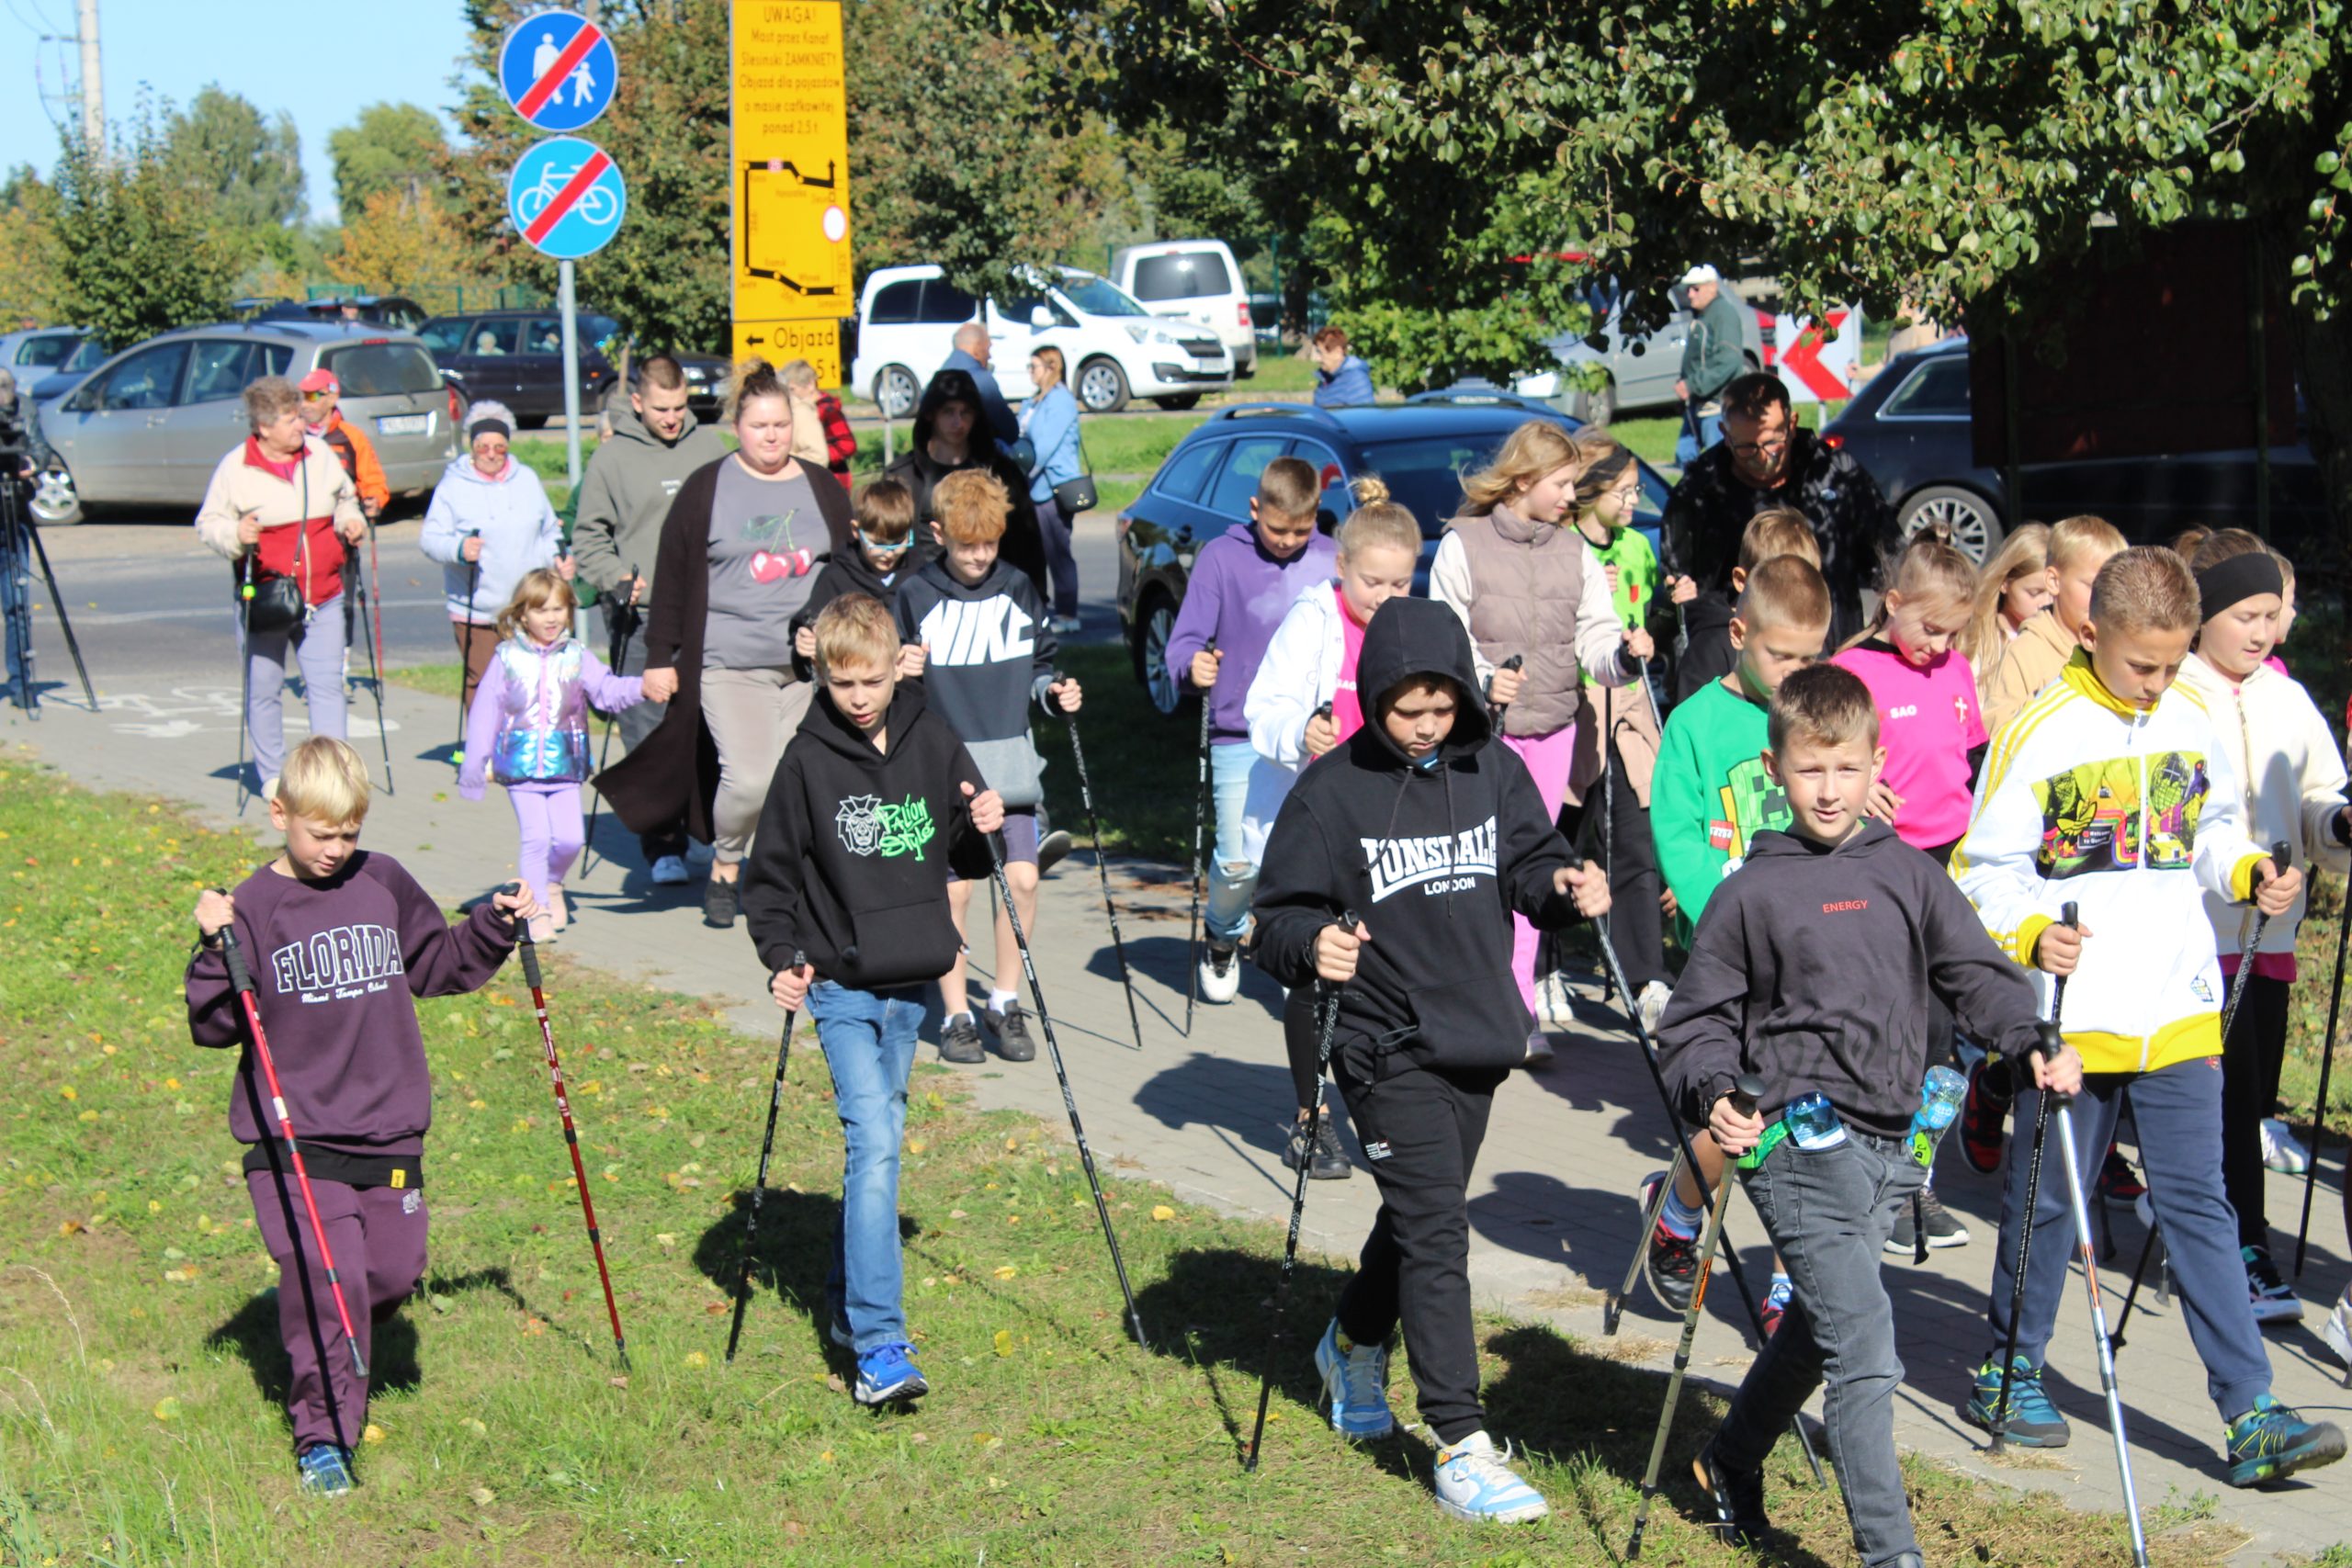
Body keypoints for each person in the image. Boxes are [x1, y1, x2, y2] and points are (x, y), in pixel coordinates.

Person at [1954, 546, 2346, 1487]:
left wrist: (2247, 870)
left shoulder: (2191, 713)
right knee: (2050, 1197)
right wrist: (2031, 931)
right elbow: (1979, 872)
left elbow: (2208, 829)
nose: (2158, 684)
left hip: (2176, 1005)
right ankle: (2010, 1368)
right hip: (2074, 1016)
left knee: (2199, 1203)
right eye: (2142, 665)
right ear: (2092, 634)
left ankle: (2250, 1411)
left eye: (2173, 664)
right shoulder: (2042, 730)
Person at [1657, 663, 2059, 1567]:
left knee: (1820, 1326)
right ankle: (1891, 1554)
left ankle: (1726, 1462)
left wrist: (2025, 1036)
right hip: (1791, 1140)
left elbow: (1975, 972)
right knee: (1866, 1347)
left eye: (1846, 768)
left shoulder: (1907, 873)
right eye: (1810, 770)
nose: (1830, 789)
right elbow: (1696, 1022)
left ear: (1877, 764)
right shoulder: (1748, 893)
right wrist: (1715, 1091)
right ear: (1776, 770)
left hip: (1891, 1141)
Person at [1251, 595, 1610, 1526]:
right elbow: (1274, 916)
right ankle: (1459, 1441)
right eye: (1406, 710)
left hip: (1476, 1031)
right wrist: (1313, 942)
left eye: (1442, 708)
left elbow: (1530, 864)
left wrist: (1564, 887)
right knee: (1439, 1231)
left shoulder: (1492, 768)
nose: (1424, 726)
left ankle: (1350, 1340)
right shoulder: (1330, 792)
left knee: (1423, 1211)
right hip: (1380, 1041)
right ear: (1374, 697)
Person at [185, 738, 534, 1495]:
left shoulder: (383, 881)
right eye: (321, 833)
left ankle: (321, 1317)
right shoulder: (254, 906)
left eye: (349, 832)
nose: (335, 849)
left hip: (387, 1126)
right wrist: (214, 944)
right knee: (329, 1277)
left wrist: (492, 923)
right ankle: (323, 1436)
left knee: (391, 1271)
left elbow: (437, 963)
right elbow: (214, 1024)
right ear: (280, 814)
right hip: (295, 1134)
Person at [741, 592, 1006, 1406]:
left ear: (899, 668)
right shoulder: (806, 760)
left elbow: (965, 851)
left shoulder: (933, 738)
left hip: (911, 982)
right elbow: (769, 880)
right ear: (822, 675)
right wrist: (782, 958)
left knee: (877, 1146)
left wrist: (984, 822)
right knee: (878, 1143)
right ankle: (880, 1344)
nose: (859, 698)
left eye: (872, 680)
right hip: (841, 985)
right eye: (842, 682)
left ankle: (842, 1304)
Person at [594, 358, 854, 931]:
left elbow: (848, 569)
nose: (772, 437)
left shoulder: (820, 488)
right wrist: (659, 658)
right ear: (737, 425)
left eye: (781, 425)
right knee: (751, 778)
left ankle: (789, 884)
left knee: (799, 780)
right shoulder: (707, 488)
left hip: (809, 671)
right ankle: (727, 864)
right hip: (729, 663)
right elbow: (672, 577)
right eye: (760, 426)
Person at [1645, 554, 1832, 1328]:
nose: (1795, 674)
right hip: (1728, 957)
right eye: (1780, 655)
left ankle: (1793, 1283)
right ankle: (1678, 1205)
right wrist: (1722, 919)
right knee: (1739, 1120)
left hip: (1809, 953)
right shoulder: (1695, 723)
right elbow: (1679, 839)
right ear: (1737, 633)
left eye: (1810, 657)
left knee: (1809, 1118)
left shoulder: (1817, 712)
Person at [1434, 419, 1647, 1059]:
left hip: (1555, 729)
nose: (1570, 497)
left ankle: (1520, 1008)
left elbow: (1596, 638)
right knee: (1476, 870)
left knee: (1531, 870)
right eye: (1561, 484)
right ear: (1523, 480)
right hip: (1481, 736)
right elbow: (1446, 635)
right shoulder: (1463, 544)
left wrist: (1625, 657)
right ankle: (1463, 998)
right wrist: (1482, 680)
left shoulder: (1574, 553)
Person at [2177, 530, 2347, 1319]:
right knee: (2223, 1100)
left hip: (2269, 936)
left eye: (2272, 615)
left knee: (2254, 1100)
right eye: (2245, 615)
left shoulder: (2287, 698)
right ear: (2204, 613)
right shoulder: (2172, 692)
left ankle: (2212, 1225)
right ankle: (2242, 1245)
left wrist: (2337, 826)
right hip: (2191, 935)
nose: (2262, 631)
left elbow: (2317, 797)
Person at [1245, 476, 1420, 1179]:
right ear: (1342, 567)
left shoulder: (1415, 623)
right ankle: (1311, 1117)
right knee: (1320, 972)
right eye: (1372, 581)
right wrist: (1301, 730)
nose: (1386, 595)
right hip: (1317, 824)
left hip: (1395, 825)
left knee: (1389, 973)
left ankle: (1385, 1106)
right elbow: (1263, 707)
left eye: (1400, 582)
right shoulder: (1312, 620)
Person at [1830, 531, 1985, 1253]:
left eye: (1954, 633)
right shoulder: (1853, 670)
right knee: (1891, 1027)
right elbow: (1820, 754)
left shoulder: (1956, 670)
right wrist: (1857, 788)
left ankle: (1916, 1179)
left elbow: (1972, 754)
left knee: (1941, 1035)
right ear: (1892, 603)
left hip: (1949, 864)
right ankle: (1872, 1179)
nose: (1940, 645)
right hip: (1883, 861)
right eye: (1930, 628)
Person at [895, 468, 1080, 1065]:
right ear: (938, 534)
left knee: (1022, 880)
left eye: (990, 543)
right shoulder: (915, 594)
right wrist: (901, 670)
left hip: (1010, 768)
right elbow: (887, 682)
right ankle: (956, 1015)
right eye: (966, 544)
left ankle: (1004, 999)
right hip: (944, 769)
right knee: (955, 894)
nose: (979, 555)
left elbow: (1040, 666)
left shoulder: (1019, 588)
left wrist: (1054, 693)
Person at [1165, 457, 1340, 1004]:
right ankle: (1222, 936)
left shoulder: (1332, 560)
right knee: (1238, 859)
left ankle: (1303, 953)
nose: (1288, 541)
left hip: (1316, 735)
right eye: (1277, 528)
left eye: (1301, 531)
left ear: (1317, 514)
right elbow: (1183, 643)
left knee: (1313, 857)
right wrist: (1193, 666)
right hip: (1239, 730)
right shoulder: (1221, 558)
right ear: (1254, 509)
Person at [569, 354, 732, 886]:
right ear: (638, 402)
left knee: (707, 725)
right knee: (646, 731)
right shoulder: (611, 459)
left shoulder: (709, 448)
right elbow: (587, 537)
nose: (672, 418)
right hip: (639, 618)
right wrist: (615, 576)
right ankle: (661, 844)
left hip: (706, 614)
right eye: (661, 408)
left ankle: (702, 829)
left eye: (680, 407)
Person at [194, 376, 368, 795]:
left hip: (324, 596)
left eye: (300, 417)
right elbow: (208, 523)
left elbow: (346, 497)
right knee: (264, 690)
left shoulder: (319, 454)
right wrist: (235, 534)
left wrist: (351, 519)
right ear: (264, 426)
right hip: (266, 601)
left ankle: (331, 777)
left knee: (327, 688)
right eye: (291, 420)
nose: (301, 426)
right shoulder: (235, 467)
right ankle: (272, 775)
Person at [458, 570, 646, 944]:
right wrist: (474, 768)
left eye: (558, 609)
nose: (551, 618)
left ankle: (552, 883)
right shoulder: (507, 657)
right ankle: (537, 910)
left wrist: (644, 687)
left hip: (565, 766)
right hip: (520, 768)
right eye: (541, 610)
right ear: (522, 613)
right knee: (537, 838)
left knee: (571, 840)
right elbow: (484, 713)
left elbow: (606, 691)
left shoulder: (576, 655)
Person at [1562, 433, 1673, 1029]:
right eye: (1623, 491)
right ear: (1588, 491)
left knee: (1634, 839)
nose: (1633, 502)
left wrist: (1668, 613)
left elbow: (1649, 615)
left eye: (1635, 490)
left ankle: (1646, 978)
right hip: (1572, 710)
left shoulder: (1636, 548)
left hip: (1627, 706)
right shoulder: (1563, 547)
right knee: (1564, 837)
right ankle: (1541, 966)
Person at [1660, 371, 1902, 646]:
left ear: (1792, 425)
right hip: (1741, 653)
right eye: (1747, 447)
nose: (1763, 457)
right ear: (1725, 434)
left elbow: (1890, 560)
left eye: (1772, 443)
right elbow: (1679, 584)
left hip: (1834, 648)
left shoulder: (1835, 474)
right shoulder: (1699, 492)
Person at [419, 401, 570, 716]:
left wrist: (557, 558)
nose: (491, 454)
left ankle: (527, 743)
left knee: (531, 684)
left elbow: (547, 532)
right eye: (483, 447)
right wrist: (460, 549)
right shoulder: (453, 486)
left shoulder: (526, 479)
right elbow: (430, 540)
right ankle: (484, 745)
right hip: (478, 610)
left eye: (499, 447)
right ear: (472, 448)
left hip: (528, 609)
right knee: (485, 685)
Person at [881, 368, 1046, 593]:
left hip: (989, 594)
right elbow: (883, 544)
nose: (958, 422)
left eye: (965, 412)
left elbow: (1027, 544)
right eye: (948, 412)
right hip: (921, 594)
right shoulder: (903, 476)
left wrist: (1036, 598)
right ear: (930, 414)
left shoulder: (1000, 473)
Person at [1975, 513, 2127, 739]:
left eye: (2114, 587)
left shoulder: (2113, 649)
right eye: (2093, 586)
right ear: (2054, 582)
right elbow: (1997, 732)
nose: (2104, 598)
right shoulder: (2026, 653)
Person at [1674, 506, 1820, 705]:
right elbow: (1694, 716)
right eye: (1777, 589)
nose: (1791, 601)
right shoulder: (1710, 649)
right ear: (1742, 581)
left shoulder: (1806, 642)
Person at [790, 478, 918, 682]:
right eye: (878, 543)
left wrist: (923, 658)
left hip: (909, 689)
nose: (888, 553)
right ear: (856, 531)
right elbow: (809, 630)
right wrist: (805, 646)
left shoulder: (920, 576)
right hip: (851, 686)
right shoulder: (836, 577)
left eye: (898, 542)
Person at [1019, 344, 1084, 634]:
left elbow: (1044, 447)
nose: (1030, 372)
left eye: (1034, 366)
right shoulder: (1036, 400)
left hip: (1054, 488)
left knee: (1058, 553)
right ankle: (1039, 611)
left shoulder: (1061, 401)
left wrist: (1024, 470)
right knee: (1036, 553)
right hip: (1035, 487)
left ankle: (1068, 615)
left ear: (1052, 367)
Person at [1956, 522, 2052, 691]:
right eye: (2034, 593)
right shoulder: (1977, 639)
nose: (2046, 603)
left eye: (2054, 593)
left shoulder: (2056, 638)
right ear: (2005, 583)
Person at [1672, 264, 1747, 464]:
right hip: (1698, 405)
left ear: (1712, 287)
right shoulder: (1704, 314)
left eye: (1695, 288)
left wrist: (1693, 385)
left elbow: (1729, 360)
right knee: (1685, 456)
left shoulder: (1723, 314)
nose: (1690, 294)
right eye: (1688, 289)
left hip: (1717, 407)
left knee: (1718, 461)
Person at [300, 370, 388, 521]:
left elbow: (372, 479)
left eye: (311, 397)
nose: (304, 404)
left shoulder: (353, 436)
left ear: (332, 398)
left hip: (344, 521)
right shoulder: (293, 434)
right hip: (304, 522)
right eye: (300, 397)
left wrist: (374, 499)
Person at [937, 321, 1020, 449]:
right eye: (988, 348)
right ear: (977, 348)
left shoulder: (937, 379)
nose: (990, 356)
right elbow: (1009, 431)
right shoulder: (982, 380)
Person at [779, 357, 857, 491]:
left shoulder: (828, 411)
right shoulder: (798, 411)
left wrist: (821, 452)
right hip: (810, 477)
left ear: (810, 385)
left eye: (792, 389)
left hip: (833, 478)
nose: (789, 395)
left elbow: (848, 445)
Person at [1309, 326, 1375, 408]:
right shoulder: (1326, 378)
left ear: (1337, 352)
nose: (1317, 359)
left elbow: (1364, 413)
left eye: (1320, 353)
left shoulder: (1356, 380)